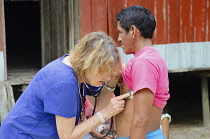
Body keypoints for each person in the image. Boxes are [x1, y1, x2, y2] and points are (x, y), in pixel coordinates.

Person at [0, 31, 130, 139]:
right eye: (104, 72)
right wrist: (106, 113)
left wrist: (93, 132)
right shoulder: (63, 82)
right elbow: (67, 136)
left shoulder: (77, 69)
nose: (107, 77)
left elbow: (96, 102)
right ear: (90, 63)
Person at [115, 5, 170, 139]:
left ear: (133, 31)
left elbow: (141, 120)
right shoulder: (144, 59)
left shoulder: (144, 62)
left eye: (120, 32)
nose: (119, 38)